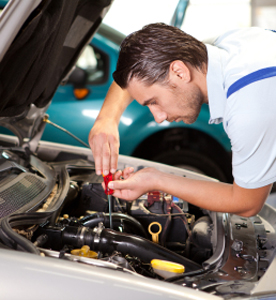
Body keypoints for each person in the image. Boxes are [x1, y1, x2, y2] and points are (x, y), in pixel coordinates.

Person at [89, 23, 276, 217]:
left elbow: (246, 203)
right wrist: (106, 120)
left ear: (179, 73)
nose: (159, 117)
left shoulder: (249, 108)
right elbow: (136, 76)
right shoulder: (230, 44)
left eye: (154, 101)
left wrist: (156, 180)